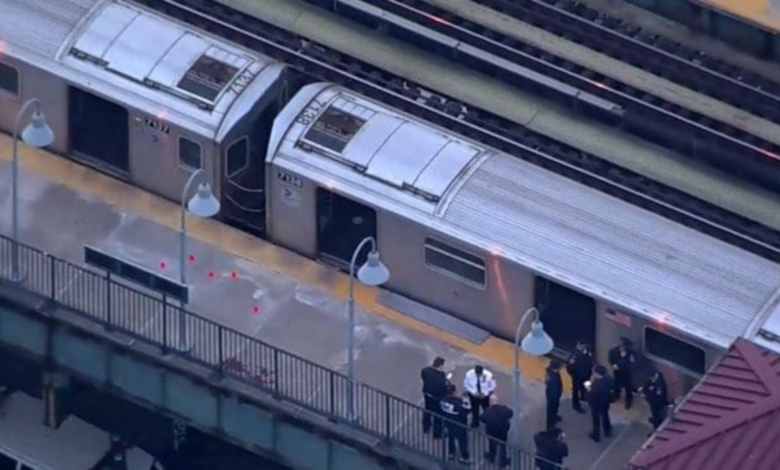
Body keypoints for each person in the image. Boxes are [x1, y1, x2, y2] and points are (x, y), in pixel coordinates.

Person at [440, 384, 472, 464]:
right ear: (453, 392)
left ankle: (451, 453)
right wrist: (465, 398)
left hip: (448, 423)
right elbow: (468, 409)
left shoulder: (443, 400)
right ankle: (464, 457)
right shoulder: (458, 403)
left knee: (451, 438)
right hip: (459, 425)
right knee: (462, 441)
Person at [480, 394, 513, 467]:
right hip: (502, 432)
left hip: (491, 432)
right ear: (497, 401)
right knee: (502, 446)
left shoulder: (487, 411)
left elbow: (482, 419)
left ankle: (491, 457)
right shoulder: (504, 409)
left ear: (490, 402)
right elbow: (511, 413)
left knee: (492, 444)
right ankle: (502, 461)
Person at [420, 356, 448, 438]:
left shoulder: (426, 370)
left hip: (427, 394)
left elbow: (424, 378)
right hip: (437, 397)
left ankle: (426, 427)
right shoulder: (441, 375)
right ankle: (437, 434)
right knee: (438, 415)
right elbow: (442, 388)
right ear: (440, 365)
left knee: (428, 410)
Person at [588, 365, 614, 443]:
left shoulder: (596, 385)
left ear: (597, 374)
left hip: (596, 404)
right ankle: (607, 429)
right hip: (605, 402)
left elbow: (590, 395)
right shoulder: (608, 378)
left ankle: (596, 435)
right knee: (605, 415)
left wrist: (588, 387)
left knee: (596, 420)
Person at [566, 340, 593, 414]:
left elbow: (590, 360)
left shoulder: (588, 351)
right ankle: (576, 404)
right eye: (581, 345)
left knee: (587, 387)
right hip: (577, 377)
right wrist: (575, 375)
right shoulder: (574, 355)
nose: (583, 347)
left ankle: (584, 396)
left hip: (587, 376)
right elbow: (569, 367)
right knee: (575, 390)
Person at [608, 338, 636, 409]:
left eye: (624, 347)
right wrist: (613, 364)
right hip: (617, 372)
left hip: (626, 372)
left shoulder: (630, 353)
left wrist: (631, 361)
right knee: (616, 384)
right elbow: (610, 358)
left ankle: (628, 400)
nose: (623, 348)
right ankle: (616, 395)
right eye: (622, 346)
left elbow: (632, 362)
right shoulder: (613, 351)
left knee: (628, 387)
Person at [639, 367, 669, 431]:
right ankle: (655, 419)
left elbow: (657, 399)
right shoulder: (654, 378)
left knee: (657, 414)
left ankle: (657, 426)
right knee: (654, 412)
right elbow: (647, 384)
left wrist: (646, 396)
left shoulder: (659, 385)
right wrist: (644, 390)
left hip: (658, 404)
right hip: (653, 402)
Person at [544, 359, 563, 431]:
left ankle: (554, 417)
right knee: (551, 409)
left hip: (551, 394)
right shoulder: (553, 378)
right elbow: (554, 389)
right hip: (553, 396)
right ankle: (550, 425)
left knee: (553, 408)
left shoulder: (550, 372)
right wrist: (556, 396)